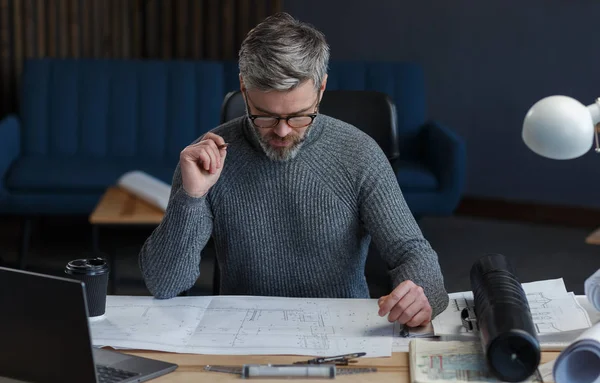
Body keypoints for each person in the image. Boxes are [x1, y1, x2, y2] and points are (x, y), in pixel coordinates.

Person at [139, 12, 449, 327]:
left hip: (342, 332)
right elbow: (165, 284)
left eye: (300, 115)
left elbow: (413, 253)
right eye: (266, 116)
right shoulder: (208, 159)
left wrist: (420, 295)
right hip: (240, 332)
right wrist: (191, 197)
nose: (283, 132)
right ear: (245, 89)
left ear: (322, 88)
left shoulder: (360, 154)